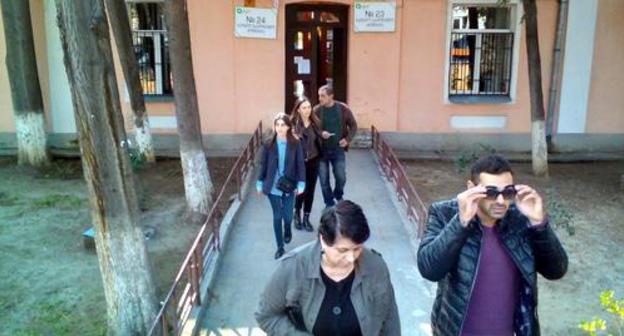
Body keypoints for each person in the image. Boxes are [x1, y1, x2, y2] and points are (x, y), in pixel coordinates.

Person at [417, 154, 568, 336]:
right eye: (491, 192)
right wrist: (461, 222)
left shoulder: (521, 219)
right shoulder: (444, 213)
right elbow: (429, 269)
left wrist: (538, 223)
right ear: (471, 188)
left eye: (508, 192)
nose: (500, 201)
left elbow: (556, 270)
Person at [255, 200, 400, 335]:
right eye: (342, 250)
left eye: (357, 249)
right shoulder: (294, 267)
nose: (351, 258)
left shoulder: (376, 266)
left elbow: (390, 318)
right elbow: (266, 315)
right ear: (323, 240)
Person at [257, 113, 306, 259]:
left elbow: (300, 165)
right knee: (277, 216)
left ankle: (288, 229)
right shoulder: (268, 144)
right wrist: (260, 183)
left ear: (288, 127)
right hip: (272, 186)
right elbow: (263, 165)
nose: (280, 128)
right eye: (277, 125)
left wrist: (301, 183)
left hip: (289, 186)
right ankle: (280, 246)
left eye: (283, 125)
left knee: (288, 216)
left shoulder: (296, 143)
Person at [314, 85, 358, 208]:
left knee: (341, 176)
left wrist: (347, 139)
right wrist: (321, 133)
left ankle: (338, 194)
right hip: (321, 150)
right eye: (319, 96)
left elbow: (354, 126)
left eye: (323, 96)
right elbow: (312, 127)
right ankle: (329, 203)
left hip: (338, 149)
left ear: (331, 96)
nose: (320, 98)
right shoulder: (317, 110)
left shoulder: (343, 109)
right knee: (323, 179)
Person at [291, 96, 323, 232]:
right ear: (298, 109)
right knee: (300, 190)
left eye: (309, 107)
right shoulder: (293, 125)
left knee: (310, 190)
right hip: (299, 163)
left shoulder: (316, 123)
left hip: (313, 160)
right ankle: (296, 214)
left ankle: (306, 218)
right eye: (304, 108)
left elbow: (318, 138)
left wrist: (323, 135)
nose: (307, 110)